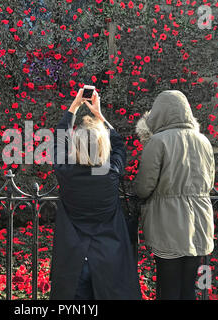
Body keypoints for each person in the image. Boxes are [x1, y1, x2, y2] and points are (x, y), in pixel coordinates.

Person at [50, 88, 141, 300]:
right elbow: (119, 145)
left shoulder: (66, 172)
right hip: (108, 257)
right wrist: (99, 115)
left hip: (74, 260)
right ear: (103, 146)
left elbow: (58, 141)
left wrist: (73, 107)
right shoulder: (111, 173)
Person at [134, 90, 215, 300]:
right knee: (188, 289)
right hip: (199, 224)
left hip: (167, 225)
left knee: (167, 289)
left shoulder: (158, 141)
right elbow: (210, 182)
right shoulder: (204, 141)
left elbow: (144, 186)